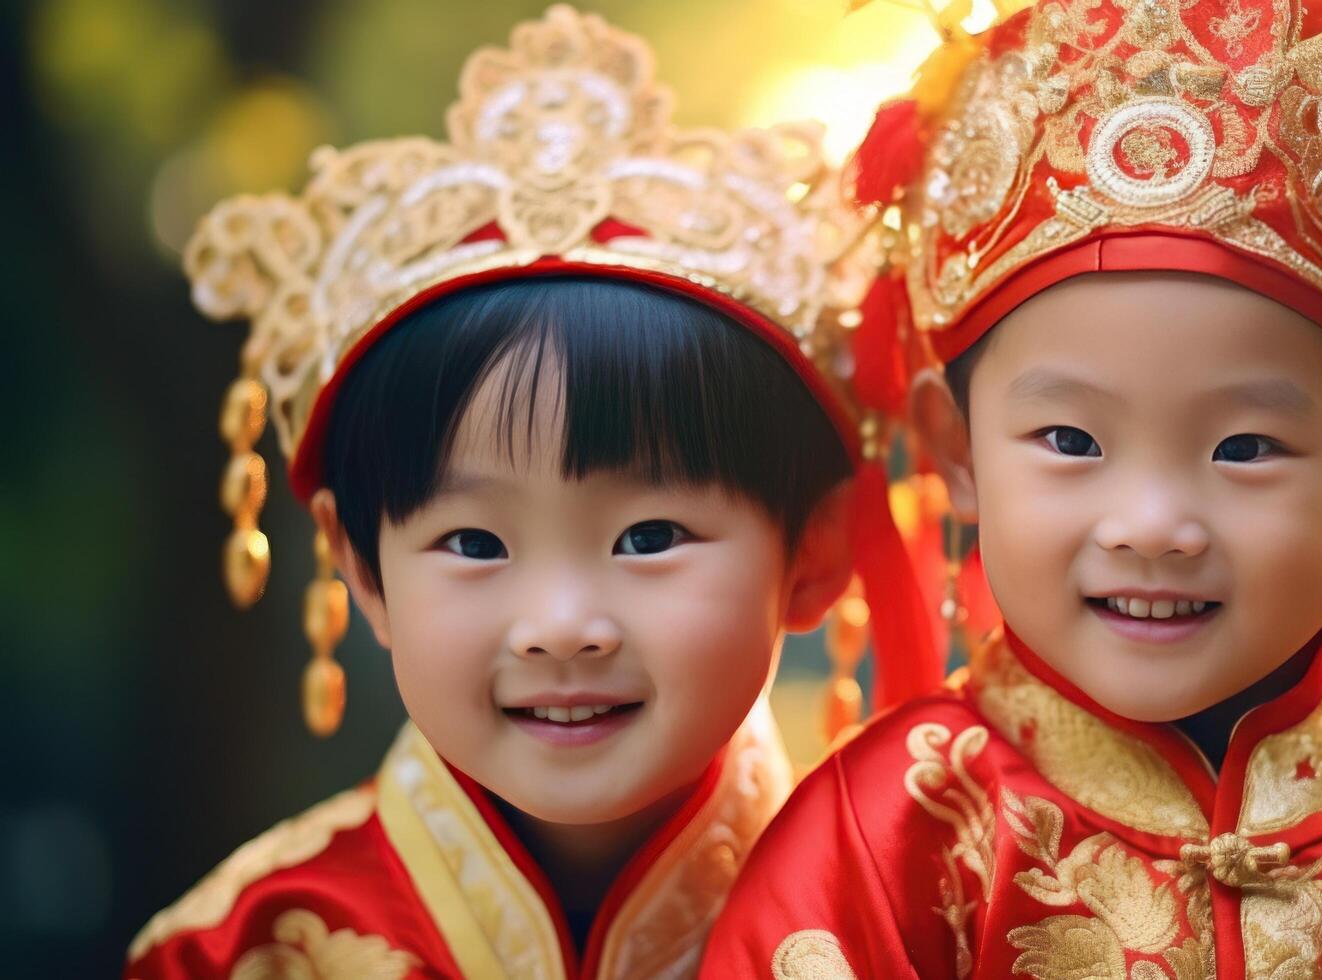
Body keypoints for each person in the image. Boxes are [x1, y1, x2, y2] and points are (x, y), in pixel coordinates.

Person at [703, 0, 1322, 975]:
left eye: (1247, 447)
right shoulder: (880, 847)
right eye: (1069, 437)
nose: (1154, 525)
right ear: (955, 449)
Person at [125, 7, 936, 977]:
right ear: (363, 571)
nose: (559, 626)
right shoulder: (236, 952)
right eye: (473, 543)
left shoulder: (912, 932)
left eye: (648, 536)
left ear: (815, 552)